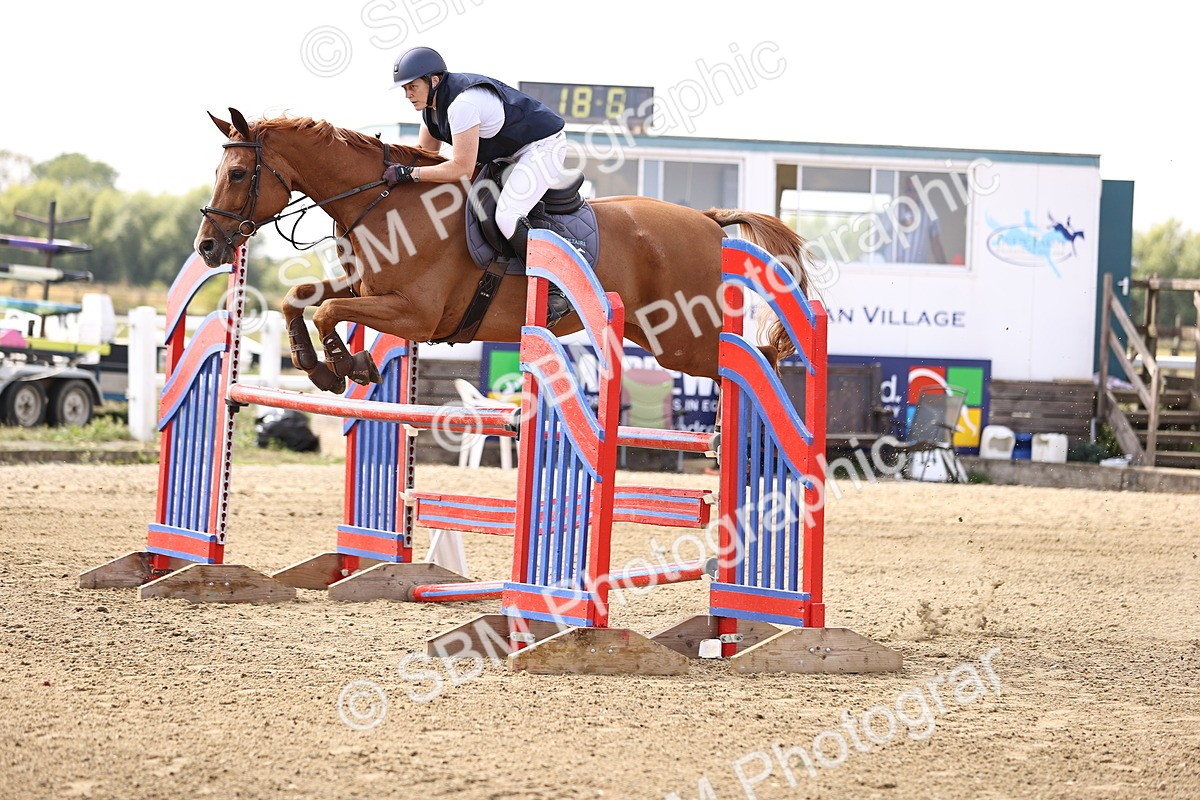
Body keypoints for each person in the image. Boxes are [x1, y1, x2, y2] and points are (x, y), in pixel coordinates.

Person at [385, 46, 575, 326]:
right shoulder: (431, 109)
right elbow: (425, 156)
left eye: (412, 86)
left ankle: (561, 286)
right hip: (506, 154)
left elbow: (460, 168)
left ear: (434, 81)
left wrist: (409, 174)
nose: (408, 94)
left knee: (507, 216)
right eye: (405, 88)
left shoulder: (463, 104)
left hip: (541, 147)